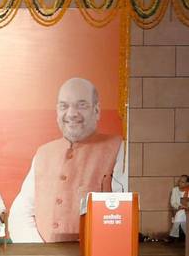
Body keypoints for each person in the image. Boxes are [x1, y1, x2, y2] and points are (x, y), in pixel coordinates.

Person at [9, 77, 124, 243]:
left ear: (97, 110)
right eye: (64, 106)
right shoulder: (43, 153)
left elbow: (122, 215)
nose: (71, 114)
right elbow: (21, 213)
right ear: (57, 111)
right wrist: (41, 255)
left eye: (81, 105)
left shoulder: (117, 148)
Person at [169, 174, 188, 241]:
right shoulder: (175, 190)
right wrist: (179, 206)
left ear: (187, 183)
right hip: (178, 210)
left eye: (182, 182)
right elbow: (173, 202)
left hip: (187, 210)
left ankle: (173, 236)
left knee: (180, 218)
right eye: (179, 181)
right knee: (179, 215)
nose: (179, 183)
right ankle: (174, 237)